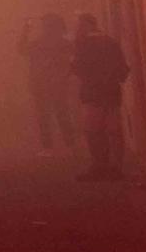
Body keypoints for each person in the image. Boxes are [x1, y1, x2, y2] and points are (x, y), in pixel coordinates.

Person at [71, 13, 130, 180]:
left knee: (93, 130)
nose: (77, 29)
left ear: (85, 25)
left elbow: (77, 68)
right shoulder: (111, 42)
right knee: (114, 130)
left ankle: (99, 166)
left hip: (93, 92)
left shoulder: (83, 44)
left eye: (78, 25)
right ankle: (117, 168)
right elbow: (122, 68)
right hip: (112, 91)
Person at [18, 14, 77, 156]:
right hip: (57, 83)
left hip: (41, 83)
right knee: (62, 114)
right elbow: (73, 57)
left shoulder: (38, 44)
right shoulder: (64, 43)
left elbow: (22, 49)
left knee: (45, 116)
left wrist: (25, 30)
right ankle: (70, 145)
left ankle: (48, 147)